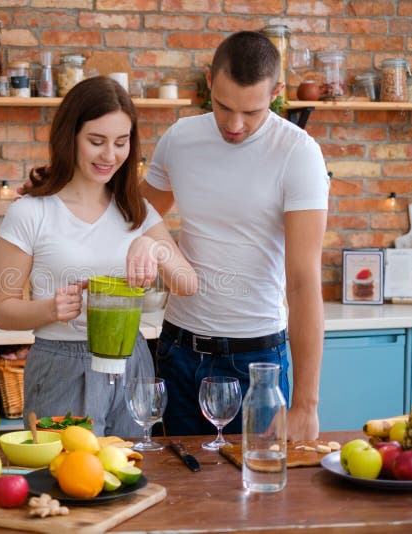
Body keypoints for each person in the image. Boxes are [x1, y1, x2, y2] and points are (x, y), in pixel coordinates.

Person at [126, 31, 329, 441]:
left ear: (277, 92)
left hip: (257, 362)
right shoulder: (180, 139)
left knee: (259, 495)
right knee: (183, 495)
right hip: (178, 353)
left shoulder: (298, 153)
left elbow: (304, 282)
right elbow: (134, 214)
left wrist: (306, 404)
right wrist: (56, 194)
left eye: (252, 111)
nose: (235, 125)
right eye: (223, 106)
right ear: (208, 80)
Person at [0, 76, 197, 438]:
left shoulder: (136, 209)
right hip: (61, 364)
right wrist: (49, 309)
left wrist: (152, 245)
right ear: (69, 136)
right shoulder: (31, 212)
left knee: (131, 477)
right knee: (65, 481)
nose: (110, 156)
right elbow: (2, 310)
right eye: (96, 141)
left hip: (132, 363)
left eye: (121, 143)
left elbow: (187, 283)